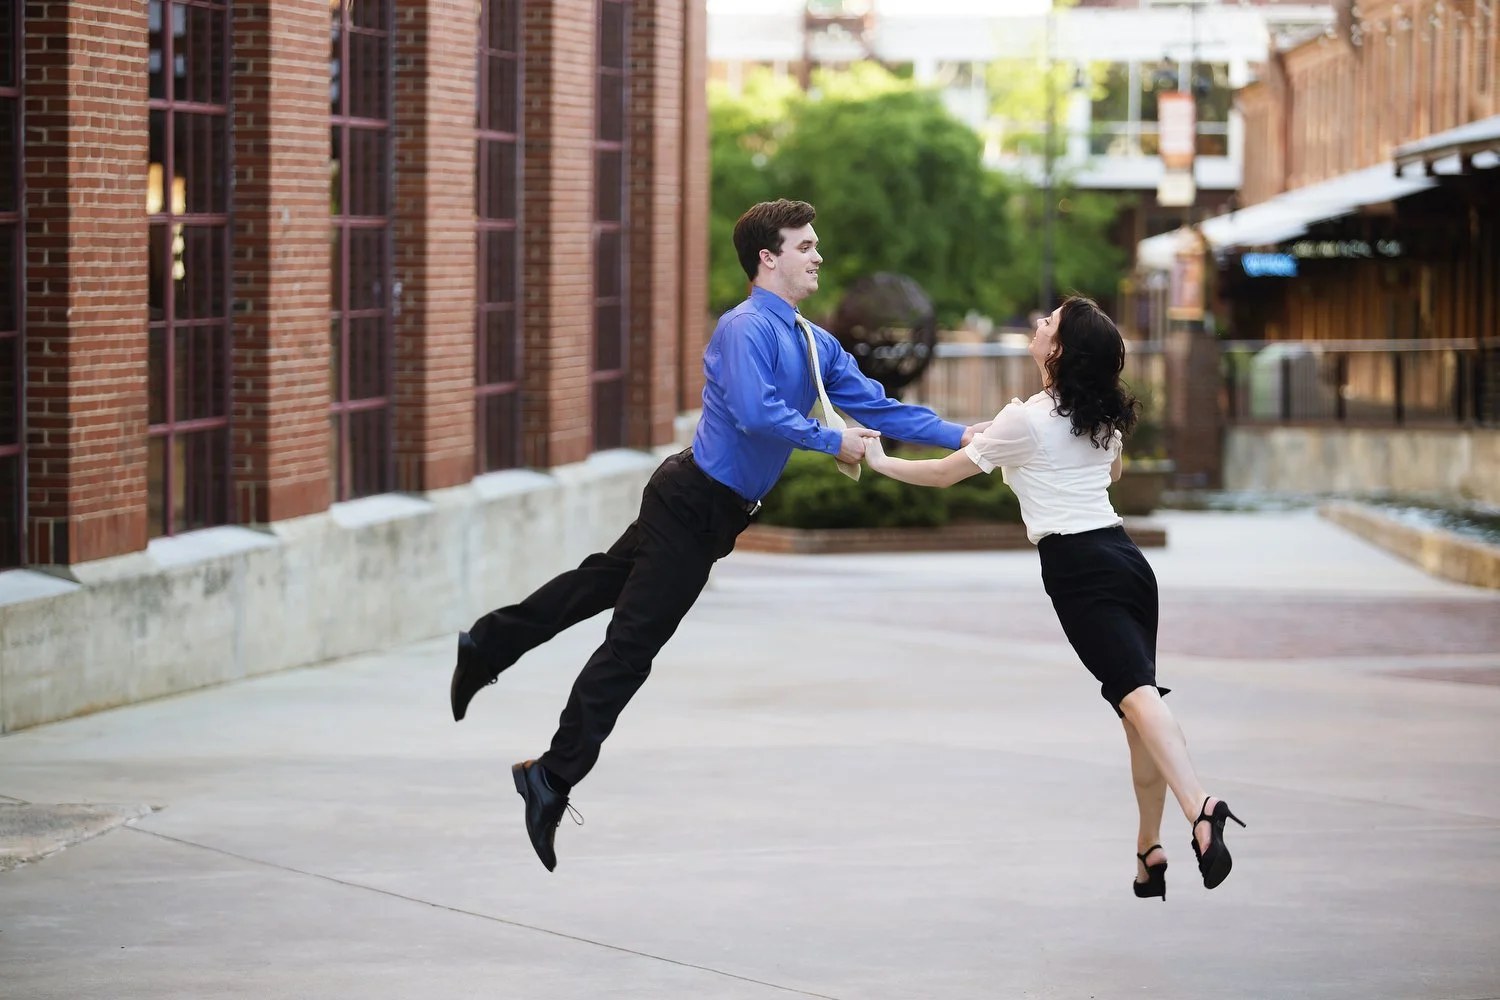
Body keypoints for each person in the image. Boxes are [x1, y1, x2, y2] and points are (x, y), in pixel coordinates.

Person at [449, 199, 988, 871]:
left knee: (595, 587)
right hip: (691, 503)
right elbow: (757, 413)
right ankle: (551, 777)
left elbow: (878, 405)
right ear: (768, 258)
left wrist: (963, 434)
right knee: (630, 648)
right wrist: (832, 441)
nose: (818, 255)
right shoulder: (743, 329)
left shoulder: (813, 342)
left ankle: (488, 643)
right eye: (805, 245)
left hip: (711, 512)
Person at [862, 295, 1245, 896]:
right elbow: (1109, 474)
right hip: (1126, 561)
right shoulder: (1098, 419)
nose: (1038, 325)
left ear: (1059, 350)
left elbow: (942, 474)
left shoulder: (1027, 419)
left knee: (1137, 695)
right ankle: (1150, 849)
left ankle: (1201, 807)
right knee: (1136, 709)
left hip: (1078, 566)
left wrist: (879, 460)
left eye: (1049, 324)